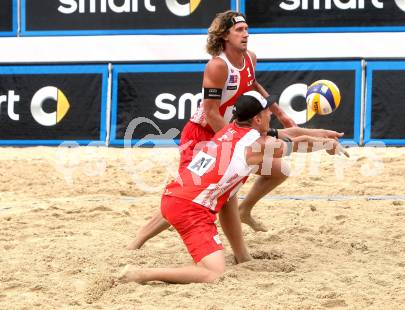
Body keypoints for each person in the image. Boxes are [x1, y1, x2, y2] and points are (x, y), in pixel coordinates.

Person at [128, 11, 344, 262]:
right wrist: (233, 143)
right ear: (224, 35)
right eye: (239, 30)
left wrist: (279, 114)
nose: (246, 34)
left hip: (232, 132)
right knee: (190, 194)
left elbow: (253, 86)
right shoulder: (217, 66)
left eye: (246, 29)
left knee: (277, 170)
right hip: (202, 135)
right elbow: (210, 111)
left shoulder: (249, 58)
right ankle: (138, 240)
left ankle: (245, 214)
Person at [119, 91, 348, 285]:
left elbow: (290, 134)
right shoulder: (256, 145)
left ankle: (242, 256)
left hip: (174, 195)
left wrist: (325, 134)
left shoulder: (232, 130)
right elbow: (297, 144)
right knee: (212, 273)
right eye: (267, 110)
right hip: (190, 209)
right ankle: (141, 274)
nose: (271, 112)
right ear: (257, 119)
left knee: (229, 193)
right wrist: (327, 145)